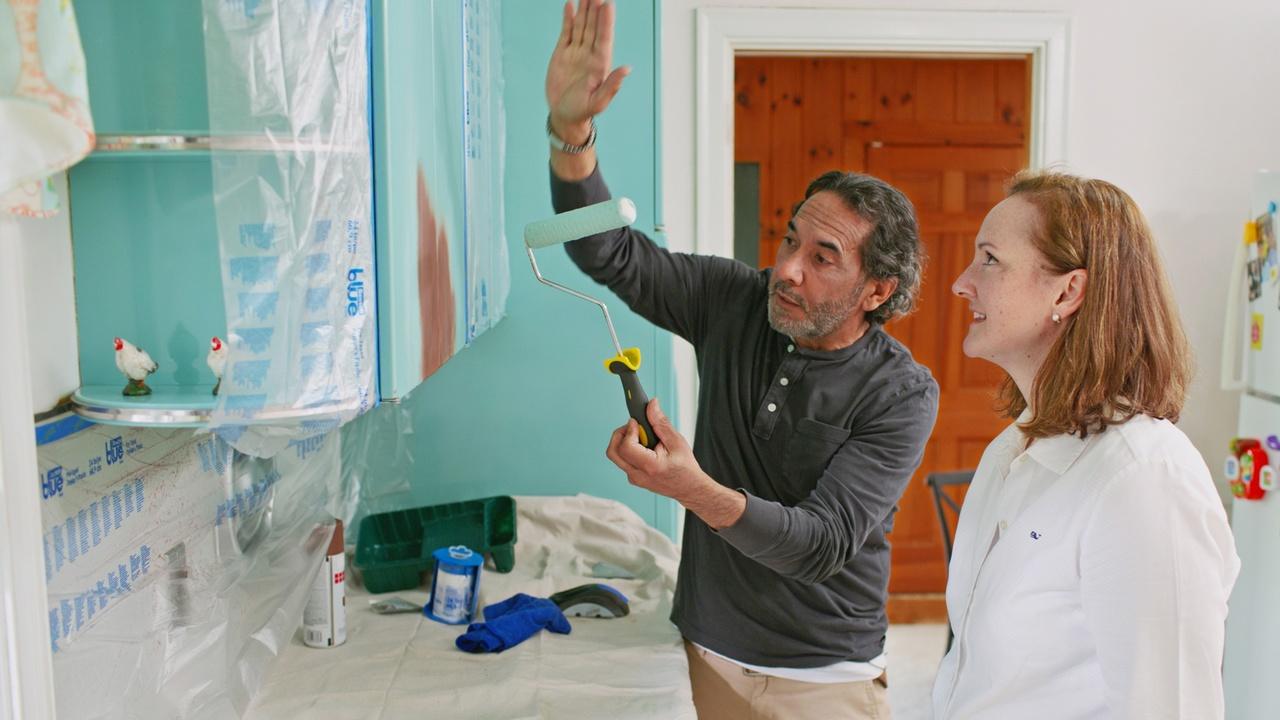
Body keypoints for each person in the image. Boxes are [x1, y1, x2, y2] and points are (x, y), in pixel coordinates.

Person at [545, 2, 939, 717]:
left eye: (823, 258)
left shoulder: (901, 393)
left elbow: (820, 544)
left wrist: (691, 487)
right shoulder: (735, 299)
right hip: (709, 650)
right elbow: (607, 253)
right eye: (791, 240)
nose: (787, 269)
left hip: (826, 674)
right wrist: (573, 134)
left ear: (876, 291)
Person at [933, 170, 1241, 718]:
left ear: (1068, 290)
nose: (961, 282)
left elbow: (1172, 707)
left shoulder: (1144, 476)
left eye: (989, 259)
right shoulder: (1009, 452)